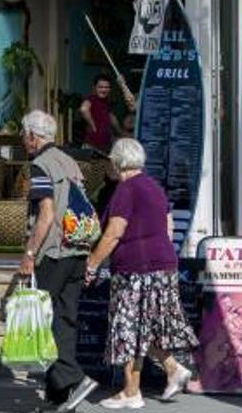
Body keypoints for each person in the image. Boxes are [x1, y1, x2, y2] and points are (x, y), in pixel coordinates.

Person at [86, 138, 198, 409]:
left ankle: (131, 393)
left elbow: (114, 232)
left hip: (136, 269)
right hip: (162, 265)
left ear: (117, 162)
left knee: (127, 327)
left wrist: (92, 264)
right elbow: (168, 226)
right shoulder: (154, 187)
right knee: (143, 327)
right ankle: (171, 369)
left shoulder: (126, 189)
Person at [18, 110, 98, 412]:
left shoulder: (40, 164)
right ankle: (59, 399)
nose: (24, 142)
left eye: (24, 136)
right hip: (77, 251)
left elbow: (47, 215)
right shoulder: (70, 162)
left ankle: (75, 379)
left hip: (53, 252)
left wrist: (29, 254)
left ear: (33, 137)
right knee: (64, 321)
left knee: (46, 321)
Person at [79, 74, 135, 153]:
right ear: (95, 88)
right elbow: (83, 109)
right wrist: (92, 125)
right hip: (92, 146)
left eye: (106, 87)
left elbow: (112, 118)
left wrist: (121, 132)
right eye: (100, 87)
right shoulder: (92, 98)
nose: (104, 90)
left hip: (105, 146)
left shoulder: (106, 102)